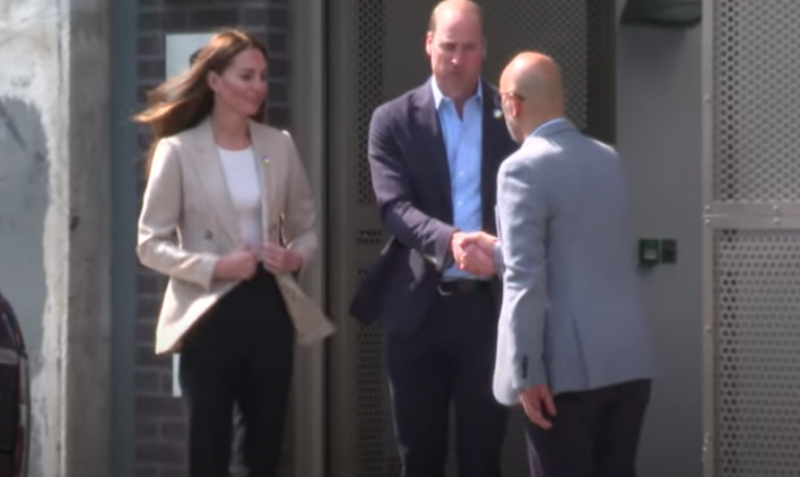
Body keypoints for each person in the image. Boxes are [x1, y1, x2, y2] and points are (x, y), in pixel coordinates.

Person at [462, 52, 657, 477]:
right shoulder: (608, 159)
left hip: (564, 374)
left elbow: (525, 279)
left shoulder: (521, 168)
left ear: (512, 103)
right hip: (628, 362)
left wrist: (526, 370)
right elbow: (583, 250)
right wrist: (498, 252)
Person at [134, 28, 318, 477]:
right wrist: (216, 265)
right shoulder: (178, 151)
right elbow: (150, 244)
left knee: (265, 449)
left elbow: (305, 228)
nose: (258, 86)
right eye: (246, 76)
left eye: (263, 77)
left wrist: (294, 257)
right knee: (208, 447)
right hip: (208, 311)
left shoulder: (278, 145)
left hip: (269, 304)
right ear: (215, 81)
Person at [349, 1, 518, 476]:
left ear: (484, 50)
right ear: (428, 45)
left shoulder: (509, 118)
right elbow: (394, 207)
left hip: (487, 310)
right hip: (418, 309)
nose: (457, 59)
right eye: (448, 46)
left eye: (468, 48)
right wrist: (451, 241)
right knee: (419, 458)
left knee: (482, 459)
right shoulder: (392, 120)